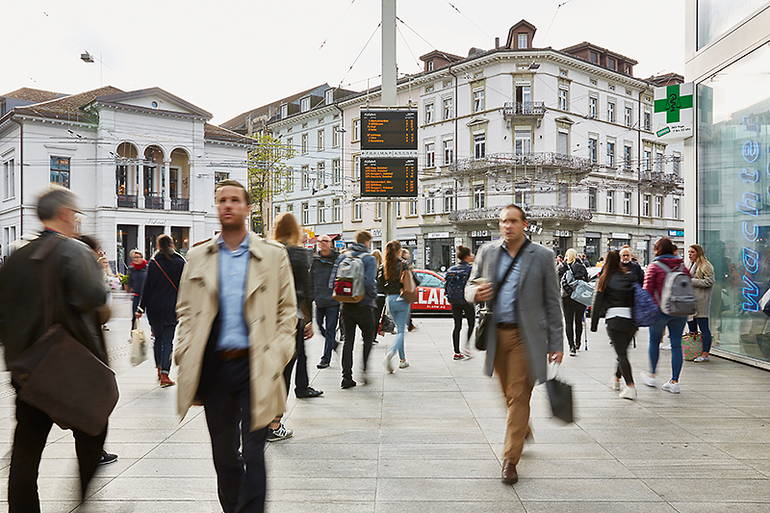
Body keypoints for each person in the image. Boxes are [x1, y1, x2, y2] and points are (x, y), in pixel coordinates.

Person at [175, 180, 297, 513]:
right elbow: (185, 309)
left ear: (246, 208)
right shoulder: (198, 256)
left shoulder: (273, 255)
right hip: (214, 367)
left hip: (257, 364)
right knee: (225, 456)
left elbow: (288, 310)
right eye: (221, 200)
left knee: (255, 452)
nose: (227, 205)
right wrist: (184, 348)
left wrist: (280, 350)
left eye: (234, 200)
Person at [0, 186, 110, 512]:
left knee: (26, 449)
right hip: (70, 368)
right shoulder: (75, 252)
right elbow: (94, 298)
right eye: (75, 214)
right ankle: (81, 499)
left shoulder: (15, 255)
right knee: (92, 431)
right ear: (64, 214)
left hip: (27, 371)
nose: (77, 220)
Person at [465, 204, 564, 485]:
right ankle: (522, 427)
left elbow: (552, 302)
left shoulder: (542, 256)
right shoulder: (488, 252)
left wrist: (556, 342)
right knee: (508, 394)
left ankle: (510, 459)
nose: (507, 226)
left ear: (525, 224)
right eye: (503, 222)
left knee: (519, 393)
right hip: (496, 333)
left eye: (512, 221)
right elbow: (470, 286)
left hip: (527, 335)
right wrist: (475, 292)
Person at [77, 234, 120, 466]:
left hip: (83, 345)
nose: (102, 255)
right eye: (99, 251)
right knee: (95, 400)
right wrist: (103, 272)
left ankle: (94, 449)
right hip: (86, 346)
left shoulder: (86, 270)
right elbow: (104, 302)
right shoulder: (86, 272)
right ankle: (94, 450)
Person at [273, 213, 320, 400]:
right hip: (293, 315)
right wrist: (309, 320)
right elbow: (305, 289)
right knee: (293, 358)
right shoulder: (298, 253)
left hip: (270, 314)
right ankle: (277, 417)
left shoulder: (271, 250)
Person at [135, 234, 185, 388]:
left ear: (158, 246)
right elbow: (185, 286)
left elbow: (147, 286)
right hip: (172, 307)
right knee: (168, 341)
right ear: (172, 244)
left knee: (157, 339)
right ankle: (165, 373)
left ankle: (158, 369)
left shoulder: (154, 262)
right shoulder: (180, 262)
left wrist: (140, 307)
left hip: (154, 307)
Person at [642, 237, 690, 394]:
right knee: (676, 345)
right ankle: (675, 381)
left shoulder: (654, 266)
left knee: (654, 341)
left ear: (657, 250)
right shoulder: (682, 265)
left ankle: (652, 375)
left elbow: (647, 291)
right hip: (680, 309)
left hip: (659, 311)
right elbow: (689, 283)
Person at [331, 230, 377, 389]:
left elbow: (333, 281)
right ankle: (363, 369)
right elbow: (370, 283)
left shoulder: (343, 257)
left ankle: (346, 377)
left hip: (346, 306)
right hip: (364, 306)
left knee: (348, 341)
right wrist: (372, 297)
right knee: (368, 338)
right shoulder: (369, 259)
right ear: (366, 242)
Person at [590, 251, 638, 400]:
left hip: (614, 319)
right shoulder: (630, 276)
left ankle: (630, 387)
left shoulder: (605, 279)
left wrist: (594, 324)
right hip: (631, 320)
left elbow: (597, 303)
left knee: (621, 354)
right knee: (622, 351)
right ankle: (617, 379)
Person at [380, 240, 412, 371]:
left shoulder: (384, 266)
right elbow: (414, 280)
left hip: (390, 300)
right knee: (401, 332)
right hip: (403, 298)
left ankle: (402, 360)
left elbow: (380, 285)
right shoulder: (403, 264)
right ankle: (391, 353)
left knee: (399, 330)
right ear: (399, 251)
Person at [312, 234, 340, 369]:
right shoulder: (315, 259)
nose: (322, 243)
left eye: (325, 241)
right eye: (320, 241)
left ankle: (325, 358)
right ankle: (333, 344)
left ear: (331, 243)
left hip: (333, 301)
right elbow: (311, 278)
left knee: (330, 330)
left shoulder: (338, 259)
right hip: (319, 299)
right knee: (319, 326)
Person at [445, 245, 475, 360]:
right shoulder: (470, 269)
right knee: (471, 323)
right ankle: (467, 347)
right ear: (467, 256)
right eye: (471, 254)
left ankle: (456, 352)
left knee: (457, 326)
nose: (472, 256)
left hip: (454, 300)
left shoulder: (451, 269)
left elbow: (446, 285)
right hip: (466, 300)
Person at [687, 244, 715, 362]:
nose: (690, 254)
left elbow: (710, 281)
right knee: (692, 327)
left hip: (701, 300)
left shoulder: (706, 265)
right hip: (691, 301)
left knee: (703, 327)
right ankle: (693, 350)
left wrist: (691, 281)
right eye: (689, 252)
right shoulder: (691, 265)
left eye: (692, 252)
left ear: (698, 253)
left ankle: (705, 353)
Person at [558, 248, 589, 356]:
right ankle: (578, 342)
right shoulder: (581, 267)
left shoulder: (561, 267)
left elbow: (557, 282)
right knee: (578, 321)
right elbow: (587, 281)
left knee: (568, 322)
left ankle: (571, 346)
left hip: (566, 297)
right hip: (579, 298)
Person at [127, 249, 147, 329]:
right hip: (137, 295)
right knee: (134, 315)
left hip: (147, 295)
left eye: (138, 257)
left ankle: (154, 333)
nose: (136, 259)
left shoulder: (147, 267)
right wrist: (129, 289)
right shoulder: (131, 269)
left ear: (142, 258)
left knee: (151, 316)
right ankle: (134, 333)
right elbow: (130, 281)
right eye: (134, 257)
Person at [401, 248, 418, 332]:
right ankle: (409, 325)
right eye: (407, 253)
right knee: (406, 307)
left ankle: (409, 324)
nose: (409, 255)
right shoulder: (405, 264)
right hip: (406, 288)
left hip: (402, 288)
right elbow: (411, 277)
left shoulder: (402, 263)